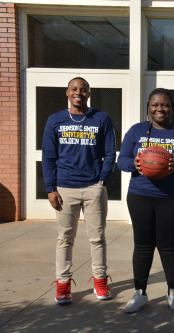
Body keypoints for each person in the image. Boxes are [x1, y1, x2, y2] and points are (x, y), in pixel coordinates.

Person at [117, 88, 174, 313]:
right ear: (148, 108)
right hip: (140, 195)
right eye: (155, 105)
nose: (159, 109)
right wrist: (135, 164)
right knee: (142, 245)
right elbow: (121, 161)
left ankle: (173, 291)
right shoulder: (136, 131)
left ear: (171, 108)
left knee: (169, 245)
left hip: (172, 197)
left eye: (164, 105)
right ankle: (139, 292)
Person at [42, 77, 116, 304]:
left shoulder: (101, 118)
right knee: (64, 238)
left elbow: (110, 153)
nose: (79, 93)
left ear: (89, 93)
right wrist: (50, 188)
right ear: (67, 93)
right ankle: (63, 285)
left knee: (98, 238)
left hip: (93, 187)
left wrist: (102, 181)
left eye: (83, 90)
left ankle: (100, 280)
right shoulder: (55, 120)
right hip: (65, 188)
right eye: (74, 89)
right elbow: (48, 156)